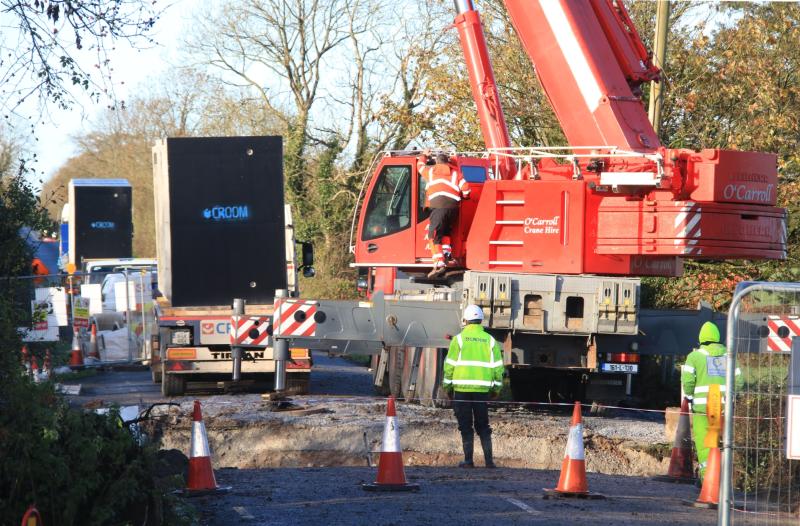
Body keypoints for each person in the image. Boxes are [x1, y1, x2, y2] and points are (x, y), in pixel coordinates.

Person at [443, 304, 504, 468]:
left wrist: (447, 388)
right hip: (482, 392)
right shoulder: (490, 340)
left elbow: (449, 367)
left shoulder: (458, 339)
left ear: (465, 320)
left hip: (461, 390)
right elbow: (498, 369)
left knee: (465, 426)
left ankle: (468, 460)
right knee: (483, 426)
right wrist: (496, 389)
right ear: (481, 320)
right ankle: (489, 462)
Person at [681, 321, 742, 478]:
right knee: (724, 443)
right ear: (717, 337)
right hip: (724, 408)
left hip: (702, 409)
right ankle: (726, 478)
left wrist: (689, 397)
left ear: (701, 338)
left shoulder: (694, 357)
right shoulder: (729, 356)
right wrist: (732, 397)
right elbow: (739, 381)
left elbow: (688, 381)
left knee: (705, 444)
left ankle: (707, 479)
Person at [417, 149, 470, 278]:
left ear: (437, 162)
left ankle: (439, 262)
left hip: (438, 207)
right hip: (453, 209)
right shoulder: (456, 173)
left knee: (433, 234)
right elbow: (466, 189)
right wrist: (465, 196)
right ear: (448, 162)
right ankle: (446, 254)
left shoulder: (431, 171)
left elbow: (420, 166)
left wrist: (424, 156)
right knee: (445, 231)